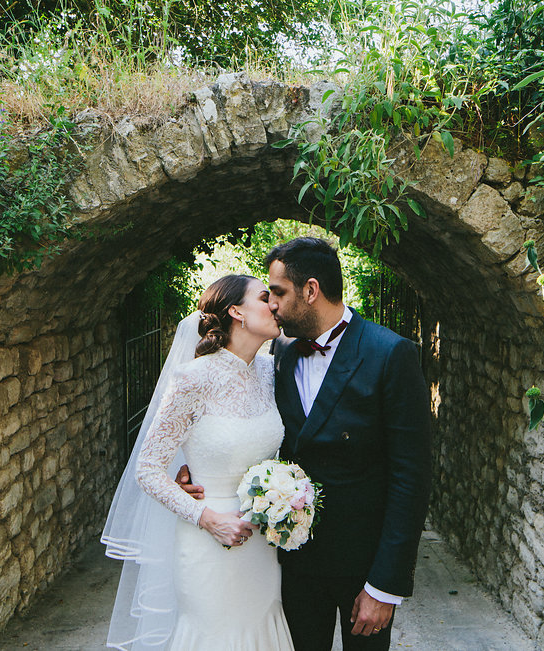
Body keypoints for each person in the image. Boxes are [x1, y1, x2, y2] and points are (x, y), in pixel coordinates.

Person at [181, 237, 432, 651]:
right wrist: (197, 466)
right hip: (291, 565)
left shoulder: (390, 354)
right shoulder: (273, 355)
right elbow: (235, 423)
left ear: (310, 290)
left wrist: (386, 586)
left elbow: (412, 477)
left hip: (362, 568)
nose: (272, 304)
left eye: (277, 292)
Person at [101, 274, 294, 650]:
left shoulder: (269, 371)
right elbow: (147, 469)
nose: (274, 304)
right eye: (263, 297)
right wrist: (207, 519)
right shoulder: (194, 377)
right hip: (208, 538)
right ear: (236, 311)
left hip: (261, 541)